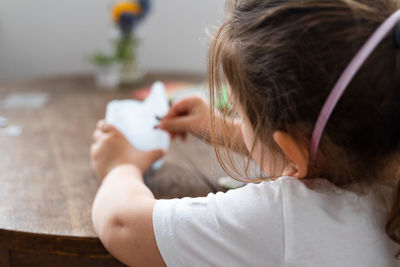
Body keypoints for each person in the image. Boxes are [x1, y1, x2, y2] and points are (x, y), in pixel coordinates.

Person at [90, 0, 400, 266]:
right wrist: (225, 130)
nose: (237, 119)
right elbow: (313, 157)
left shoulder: (286, 218)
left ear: (293, 151)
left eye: (240, 113)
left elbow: (122, 225)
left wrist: (120, 166)